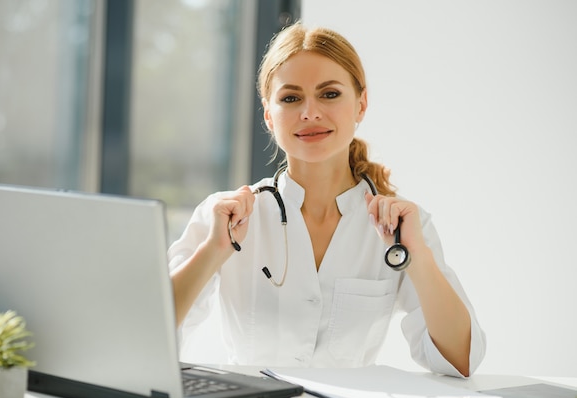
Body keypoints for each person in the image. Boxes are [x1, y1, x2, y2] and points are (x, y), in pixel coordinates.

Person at [168, 22, 485, 377]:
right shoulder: (223, 218)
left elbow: (461, 360)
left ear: (361, 104)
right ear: (269, 115)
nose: (310, 113)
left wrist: (418, 258)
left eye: (329, 94)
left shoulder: (405, 226)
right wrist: (212, 250)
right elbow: (149, 337)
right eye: (290, 98)